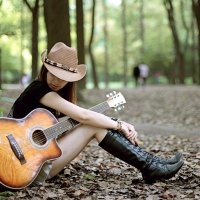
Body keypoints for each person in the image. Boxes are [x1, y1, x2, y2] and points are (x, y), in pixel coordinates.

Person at [7, 42, 183, 187]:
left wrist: (114, 122)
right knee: (92, 124)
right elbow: (84, 116)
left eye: (62, 77)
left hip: (35, 160)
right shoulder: (39, 89)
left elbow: (68, 124)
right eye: (52, 74)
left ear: (71, 79)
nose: (56, 80)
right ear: (45, 69)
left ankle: (152, 163)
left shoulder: (52, 96)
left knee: (93, 123)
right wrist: (119, 124)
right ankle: (150, 166)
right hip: (25, 169)